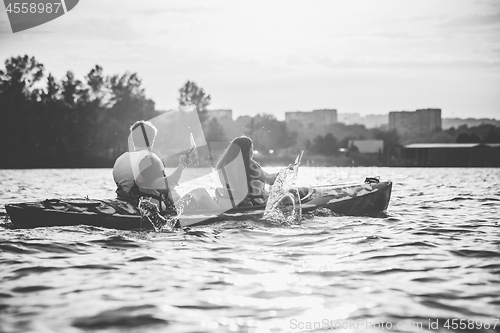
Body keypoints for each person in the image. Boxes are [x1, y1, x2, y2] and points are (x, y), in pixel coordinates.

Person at [113, 120, 218, 212]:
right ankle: (225, 218)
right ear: (151, 140)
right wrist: (181, 166)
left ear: (132, 139)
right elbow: (166, 186)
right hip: (156, 209)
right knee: (201, 192)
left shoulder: (121, 159)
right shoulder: (148, 159)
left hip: (129, 203)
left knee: (174, 192)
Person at [214, 136, 278, 208]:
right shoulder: (250, 164)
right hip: (254, 205)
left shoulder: (223, 165)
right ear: (248, 150)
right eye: (252, 148)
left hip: (234, 205)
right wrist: (285, 172)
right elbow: (270, 180)